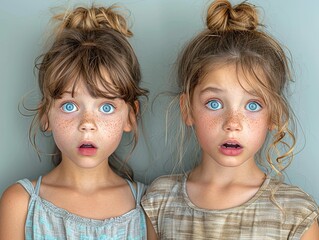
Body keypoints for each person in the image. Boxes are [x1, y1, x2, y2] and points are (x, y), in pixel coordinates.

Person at [142, 0, 319, 239]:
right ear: (188, 110)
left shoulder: (295, 213)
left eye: (253, 105)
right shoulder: (159, 201)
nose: (232, 123)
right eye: (214, 103)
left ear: (274, 115)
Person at [0, 5, 154, 239]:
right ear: (45, 116)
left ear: (130, 116)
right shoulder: (20, 204)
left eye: (106, 107)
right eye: (69, 106)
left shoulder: (148, 207)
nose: (87, 123)